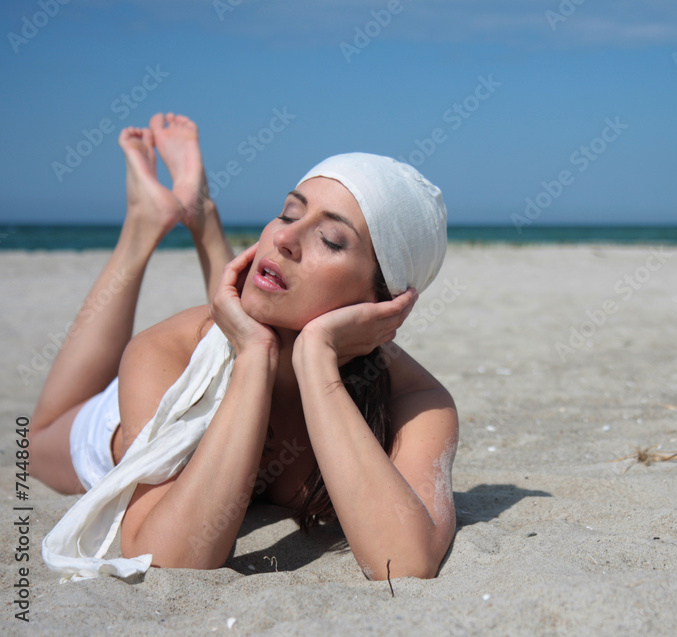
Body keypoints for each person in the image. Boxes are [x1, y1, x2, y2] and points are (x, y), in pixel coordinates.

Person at [28, 113, 458, 581]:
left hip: (266, 352)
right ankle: (143, 226)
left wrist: (317, 359)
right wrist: (255, 355)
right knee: (34, 440)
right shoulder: (165, 350)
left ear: (385, 302)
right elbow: (165, 556)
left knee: (266, 306)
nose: (283, 238)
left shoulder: (414, 401)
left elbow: (404, 562)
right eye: (289, 213)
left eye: (331, 240)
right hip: (122, 414)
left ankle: (198, 213)